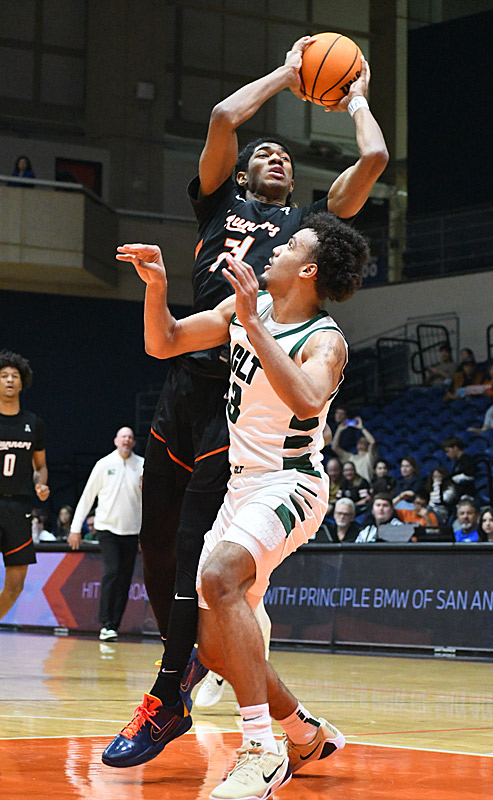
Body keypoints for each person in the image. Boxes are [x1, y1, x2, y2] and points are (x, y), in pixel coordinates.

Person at [115, 32, 388, 746]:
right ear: (243, 173)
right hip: (191, 365)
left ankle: (175, 694)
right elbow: (221, 118)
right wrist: (289, 74)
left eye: (287, 156)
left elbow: (373, 162)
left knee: (204, 563)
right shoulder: (217, 206)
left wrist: (353, 96)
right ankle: (232, 685)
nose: (275, 155)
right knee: (159, 549)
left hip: (241, 396)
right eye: (265, 152)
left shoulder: (306, 232)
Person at [102, 212, 369, 798]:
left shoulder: (324, 339)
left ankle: (261, 751)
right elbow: (163, 341)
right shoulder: (242, 313)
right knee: (216, 645)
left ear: (308, 269)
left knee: (220, 578)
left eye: (290, 244)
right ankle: (303, 732)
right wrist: (157, 288)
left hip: (291, 486)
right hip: (241, 487)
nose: (273, 247)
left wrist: (253, 323)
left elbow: (305, 400)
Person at [68, 427, 143, 641]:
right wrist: (75, 528)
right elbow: (87, 496)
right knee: (112, 571)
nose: (127, 440)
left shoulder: (142, 465)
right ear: (116, 440)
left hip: (132, 530)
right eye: (123, 437)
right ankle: (106, 622)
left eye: (130, 437)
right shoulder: (103, 464)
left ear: (134, 442)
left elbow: (150, 501)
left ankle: (114, 625)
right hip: (107, 528)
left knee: (125, 577)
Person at [0, 350, 50, 620]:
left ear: (22, 383)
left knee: (16, 585)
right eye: (4, 375)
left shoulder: (34, 424)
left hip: (19, 508)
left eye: (14, 376)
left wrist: (40, 484)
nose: (9, 380)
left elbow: (40, 467)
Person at [332, 416, 376, 481]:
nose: (361, 443)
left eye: (363, 442)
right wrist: (339, 430)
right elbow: (334, 447)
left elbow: (372, 442)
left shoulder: (369, 457)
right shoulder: (350, 457)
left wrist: (362, 428)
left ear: (367, 445)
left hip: (365, 487)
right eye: (359, 441)